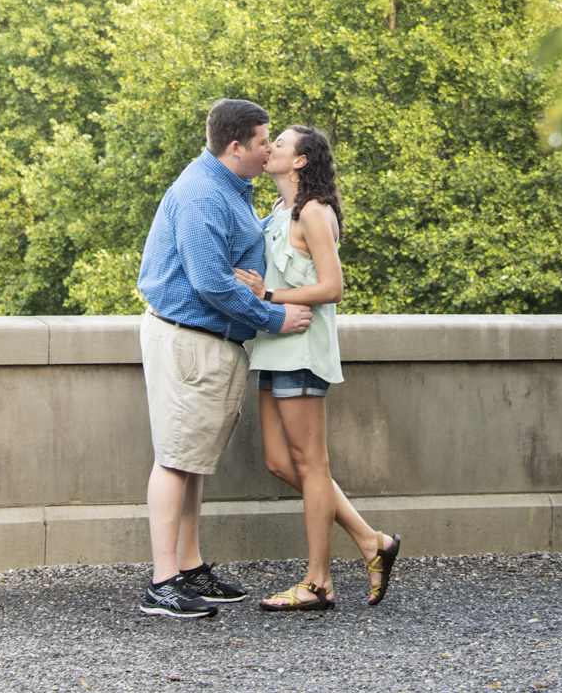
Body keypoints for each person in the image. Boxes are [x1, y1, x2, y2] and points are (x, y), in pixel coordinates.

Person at [135, 98, 313, 619]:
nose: (268, 150)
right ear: (236, 146)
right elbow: (211, 283)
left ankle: (189, 568)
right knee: (174, 459)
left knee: (191, 461)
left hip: (206, 343)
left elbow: (230, 254)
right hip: (188, 340)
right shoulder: (201, 194)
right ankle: (163, 583)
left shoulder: (227, 188)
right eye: (263, 142)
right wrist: (275, 317)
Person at [233, 124, 401, 612]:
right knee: (281, 463)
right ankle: (372, 542)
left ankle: (319, 583)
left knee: (312, 465)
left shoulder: (313, 212)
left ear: (301, 160)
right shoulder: (279, 211)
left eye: (279, 144)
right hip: (274, 348)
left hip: (303, 351)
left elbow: (332, 287)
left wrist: (267, 295)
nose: (270, 149)